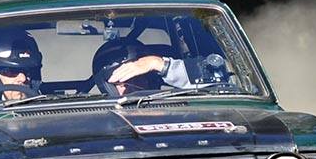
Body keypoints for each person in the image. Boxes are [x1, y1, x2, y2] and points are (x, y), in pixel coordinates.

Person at [92, 39, 223, 95]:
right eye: (123, 82)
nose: (132, 86)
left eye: (138, 77)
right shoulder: (99, 124)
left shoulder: (176, 108)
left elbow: (219, 84)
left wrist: (157, 64)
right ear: (108, 87)